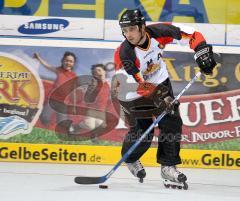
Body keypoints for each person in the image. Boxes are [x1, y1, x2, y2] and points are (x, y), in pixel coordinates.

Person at [113, 9, 216, 189]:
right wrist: (162, 97)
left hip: (159, 80)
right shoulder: (125, 54)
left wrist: (201, 51)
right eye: (125, 30)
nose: (128, 34)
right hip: (131, 92)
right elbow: (137, 84)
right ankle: (130, 158)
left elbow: (192, 34)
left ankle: (168, 166)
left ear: (142, 27)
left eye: (132, 29)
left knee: (172, 121)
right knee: (143, 133)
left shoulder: (159, 32)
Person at [33, 51, 77, 127]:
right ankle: (45, 128)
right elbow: (47, 66)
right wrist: (38, 58)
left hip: (64, 103)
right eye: (66, 60)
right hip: (53, 100)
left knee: (62, 123)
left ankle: (69, 129)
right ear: (63, 61)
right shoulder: (59, 70)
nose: (68, 63)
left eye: (71, 61)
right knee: (44, 117)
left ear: (73, 64)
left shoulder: (74, 76)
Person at [69, 64, 110, 140]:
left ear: (105, 72)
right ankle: (74, 127)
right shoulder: (93, 83)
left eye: (99, 70)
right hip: (91, 108)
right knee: (89, 125)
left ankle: (93, 135)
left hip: (101, 110)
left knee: (101, 125)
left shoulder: (109, 84)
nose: (97, 73)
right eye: (94, 72)